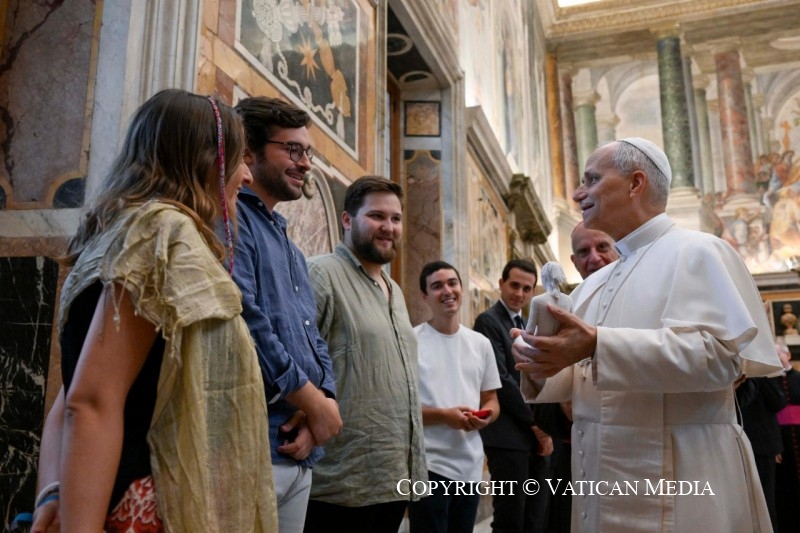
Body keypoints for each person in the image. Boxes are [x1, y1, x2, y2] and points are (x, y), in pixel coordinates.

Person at [31, 89, 277, 532]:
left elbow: (70, 395)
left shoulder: (115, 233)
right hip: (142, 507)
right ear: (207, 161)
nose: (245, 174)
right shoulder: (163, 233)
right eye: (240, 159)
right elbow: (90, 401)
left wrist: (54, 490)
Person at [513, 137, 782, 531]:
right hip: (600, 480)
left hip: (685, 478)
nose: (577, 193)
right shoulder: (592, 284)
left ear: (636, 183)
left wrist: (598, 343)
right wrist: (540, 362)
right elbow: (578, 375)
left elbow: (718, 358)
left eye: (591, 179)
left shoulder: (698, 251)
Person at [233, 96, 342, 533]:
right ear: (249, 153)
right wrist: (313, 402)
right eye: (292, 150)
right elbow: (246, 319)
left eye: (308, 153)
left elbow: (312, 336)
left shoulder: (291, 246)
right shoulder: (232, 220)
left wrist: (326, 401)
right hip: (254, 444)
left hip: (300, 446)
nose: (305, 164)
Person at [304, 176, 427, 533]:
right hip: (341, 482)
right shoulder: (321, 274)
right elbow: (296, 361)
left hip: (392, 478)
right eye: (377, 216)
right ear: (347, 220)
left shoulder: (395, 291)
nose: (389, 227)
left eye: (396, 218)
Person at [409, 261, 501, 533]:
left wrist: (486, 417)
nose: (447, 291)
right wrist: (444, 416)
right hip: (427, 465)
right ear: (424, 296)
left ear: (461, 288)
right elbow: (402, 408)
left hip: (469, 464)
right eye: (437, 286)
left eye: (452, 283)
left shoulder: (480, 344)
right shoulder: (411, 341)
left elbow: (491, 400)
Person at [473, 259, 553, 533]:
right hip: (507, 435)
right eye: (514, 285)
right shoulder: (488, 321)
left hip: (534, 434)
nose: (519, 293)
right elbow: (502, 380)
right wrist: (536, 423)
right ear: (501, 284)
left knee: (535, 517)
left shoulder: (528, 324)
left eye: (526, 288)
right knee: (510, 518)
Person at [736, 353, 787, 531]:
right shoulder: (761, 371)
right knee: (764, 499)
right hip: (760, 443)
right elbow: (778, 402)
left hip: (744, 440)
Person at [775, 343, 800, 533]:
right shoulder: (771, 381)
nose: (776, 358)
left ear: (788, 355)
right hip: (781, 441)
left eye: (778, 354)